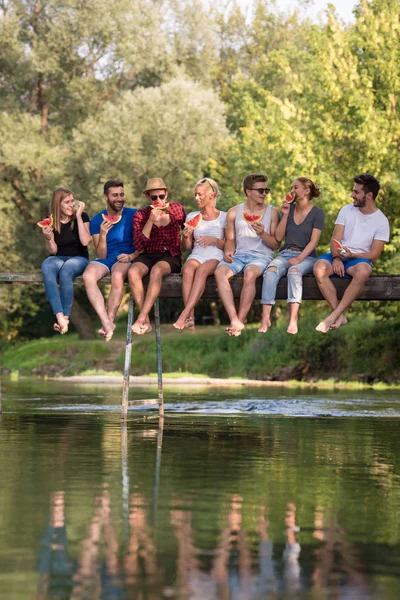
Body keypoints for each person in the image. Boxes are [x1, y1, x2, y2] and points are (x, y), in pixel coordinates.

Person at [314, 173, 390, 333]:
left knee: (364, 271)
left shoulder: (381, 221)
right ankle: (338, 315)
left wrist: (352, 255)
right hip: (338, 255)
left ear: (368, 196)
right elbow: (335, 239)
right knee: (319, 268)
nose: (352, 195)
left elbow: (374, 255)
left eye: (356, 192)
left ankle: (332, 316)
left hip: (358, 259)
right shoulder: (346, 210)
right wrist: (336, 258)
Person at [214, 173, 280, 336]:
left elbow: (276, 244)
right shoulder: (234, 212)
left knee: (250, 274)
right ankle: (234, 318)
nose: (264, 193)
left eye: (266, 190)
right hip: (238, 256)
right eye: (260, 190)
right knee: (219, 272)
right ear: (248, 191)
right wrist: (229, 250)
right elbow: (230, 239)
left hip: (261, 257)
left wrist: (263, 234)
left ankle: (240, 322)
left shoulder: (272, 212)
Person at [258, 177, 324, 335]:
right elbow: (278, 237)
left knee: (294, 272)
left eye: (295, 187)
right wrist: (286, 214)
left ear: (306, 191)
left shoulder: (317, 213)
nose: (292, 191)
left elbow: (314, 242)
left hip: (307, 257)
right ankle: (266, 317)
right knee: (271, 270)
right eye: (292, 188)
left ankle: (293, 319)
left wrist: (299, 259)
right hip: (285, 253)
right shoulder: (290, 209)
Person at [82, 179, 138, 341]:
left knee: (117, 275)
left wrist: (132, 256)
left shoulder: (134, 215)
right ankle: (106, 321)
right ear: (106, 197)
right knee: (88, 276)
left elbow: (144, 242)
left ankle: (110, 320)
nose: (119, 198)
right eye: (115, 195)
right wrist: (103, 234)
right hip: (107, 258)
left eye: (121, 194)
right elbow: (101, 255)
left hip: (126, 258)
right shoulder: (96, 220)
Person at [129, 177, 186, 334]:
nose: (159, 201)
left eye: (161, 196)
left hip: (170, 255)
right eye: (154, 197)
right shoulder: (140, 215)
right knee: (133, 272)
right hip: (148, 254)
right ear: (148, 197)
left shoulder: (177, 210)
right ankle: (146, 320)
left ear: (166, 194)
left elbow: (189, 230)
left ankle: (141, 318)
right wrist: (150, 221)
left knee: (157, 270)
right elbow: (139, 246)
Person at [173, 178, 226, 330]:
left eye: (200, 194)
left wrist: (215, 240)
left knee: (202, 271)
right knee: (188, 270)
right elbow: (188, 246)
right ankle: (191, 318)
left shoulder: (224, 216)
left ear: (212, 195)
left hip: (216, 255)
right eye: (195, 194)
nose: (196, 198)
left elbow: (230, 246)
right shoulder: (191, 217)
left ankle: (185, 314)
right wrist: (186, 235)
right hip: (197, 254)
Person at [41, 187, 91, 335]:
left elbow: (85, 241)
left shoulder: (83, 216)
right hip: (58, 258)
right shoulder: (51, 221)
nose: (71, 205)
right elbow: (53, 251)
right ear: (58, 204)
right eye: (67, 202)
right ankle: (60, 317)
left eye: (72, 201)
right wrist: (49, 238)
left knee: (66, 270)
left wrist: (80, 216)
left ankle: (66, 316)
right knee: (46, 266)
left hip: (79, 259)